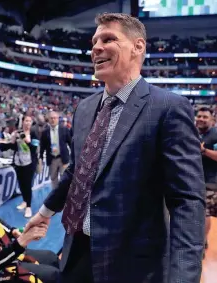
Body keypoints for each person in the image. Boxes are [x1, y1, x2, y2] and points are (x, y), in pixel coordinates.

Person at [25, 13, 205, 283]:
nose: (96, 47)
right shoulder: (84, 109)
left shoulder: (168, 108)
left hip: (133, 265)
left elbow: (186, 201)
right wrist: (44, 212)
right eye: (94, 41)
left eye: (108, 39)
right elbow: (77, 170)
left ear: (138, 47)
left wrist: (184, 276)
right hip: (76, 253)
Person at [195, 107, 217, 251]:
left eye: (205, 117)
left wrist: (204, 150)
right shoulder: (192, 132)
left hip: (211, 181)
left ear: (212, 120)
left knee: (205, 213)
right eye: (199, 116)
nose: (201, 119)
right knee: (200, 213)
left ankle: (202, 243)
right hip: (194, 179)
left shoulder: (215, 135)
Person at [12, 116, 39, 218]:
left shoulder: (34, 133)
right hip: (18, 162)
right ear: (22, 122)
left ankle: (28, 207)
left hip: (30, 163)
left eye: (30, 121)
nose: (28, 123)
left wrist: (28, 141)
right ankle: (24, 200)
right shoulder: (18, 132)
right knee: (21, 184)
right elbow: (13, 147)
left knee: (27, 185)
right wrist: (13, 139)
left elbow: (34, 148)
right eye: (26, 120)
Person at [40, 111, 71, 189]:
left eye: (55, 118)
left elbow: (70, 143)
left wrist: (73, 156)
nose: (53, 120)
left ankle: (64, 198)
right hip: (52, 159)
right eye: (51, 118)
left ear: (58, 119)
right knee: (53, 179)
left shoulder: (64, 129)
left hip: (63, 158)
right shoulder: (45, 132)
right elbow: (42, 146)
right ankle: (55, 198)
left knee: (65, 179)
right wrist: (40, 157)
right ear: (49, 119)